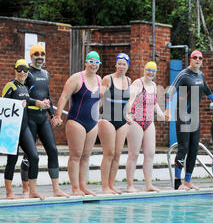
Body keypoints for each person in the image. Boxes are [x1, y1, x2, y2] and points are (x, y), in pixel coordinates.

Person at [165, 50, 213, 190]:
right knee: (184, 148)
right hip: (183, 116)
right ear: (190, 59)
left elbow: (206, 89)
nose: (197, 60)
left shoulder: (200, 75)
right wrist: (167, 109)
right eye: (195, 57)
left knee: (194, 149)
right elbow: (170, 91)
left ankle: (187, 180)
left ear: (202, 61)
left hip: (195, 117)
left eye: (200, 58)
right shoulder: (183, 75)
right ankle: (177, 183)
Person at [20, 44, 69, 198]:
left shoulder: (46, 74)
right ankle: (25, 189)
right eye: (36, 54)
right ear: (31, 56)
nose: (40, 56)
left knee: (53, 151)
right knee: (29, 154)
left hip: (43, 118)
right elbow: (22, 96)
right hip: (29, 117)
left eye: (42, 54)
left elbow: (47, 96)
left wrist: (53, 115)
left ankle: (56, 189)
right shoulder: (26, 73)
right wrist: (36, 102)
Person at [52, 51, 102, 196]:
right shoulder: (76, 78)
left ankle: (83, 186)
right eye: (91, 61)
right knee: (76, 155)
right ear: (86, 62)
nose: (93, 64)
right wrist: (58, 115)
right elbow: (64, 96)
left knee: (86, 156)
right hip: (76, 121)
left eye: (96, 62)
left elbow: (98, 102)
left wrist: (97, 118)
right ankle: (75, 188)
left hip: (92, 123)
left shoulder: (99, 80)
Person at [2, 59, 47, 200]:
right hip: (12, 129)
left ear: (28, 72)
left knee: (34, 156)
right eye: (19, 69)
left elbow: (27, 100)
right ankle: (9, 192)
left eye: (25, 70)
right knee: (12, 159)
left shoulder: (26, 88)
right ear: (15, 70)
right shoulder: (10, 86)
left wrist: (38, 103)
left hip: (24, 127)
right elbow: (1, 106)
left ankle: (32, 191)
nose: (22, 72)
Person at [125, 61, 166, 193]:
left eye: (153, 71)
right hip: (135, 121)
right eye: (148, 70)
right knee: (134, 154)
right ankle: (130, 185)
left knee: (150, 154)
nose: (150, 73)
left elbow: (154, 104)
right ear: (144, 70)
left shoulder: (154, 85)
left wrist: (161, 114)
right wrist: (128, 114)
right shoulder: (138, 83)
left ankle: (149, 184)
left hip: (149, 123)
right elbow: (129, 100)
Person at [98, 53, 132, 194]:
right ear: (115, 65)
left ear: (127, 66)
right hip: (107, 118)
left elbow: (128, 101)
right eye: (119, 63)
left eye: (124, 64)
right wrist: (95, 115)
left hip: (122, 120)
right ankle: (104, 186)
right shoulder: (108, 79)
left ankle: (111, 186)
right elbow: (99, 98)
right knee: (109, 153)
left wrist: (128, 114)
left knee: (117, 154)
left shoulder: (129, 81)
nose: (121, 66)